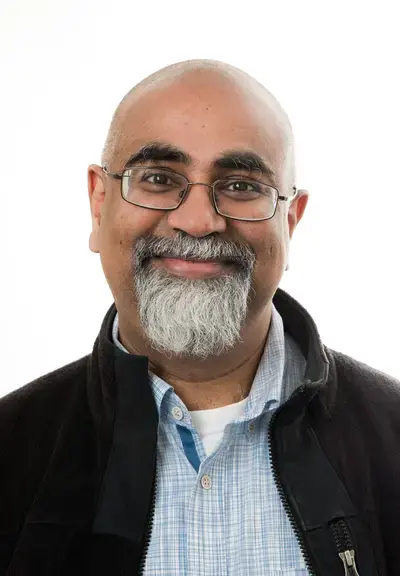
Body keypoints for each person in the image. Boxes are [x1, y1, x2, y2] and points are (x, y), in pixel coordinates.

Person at [1, 59, 399, 576]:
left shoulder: (392, 445)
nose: (197, 221)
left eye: (241, 185)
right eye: (159, 178)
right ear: (99, 205)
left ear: (291, 221)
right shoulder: (10, 456)